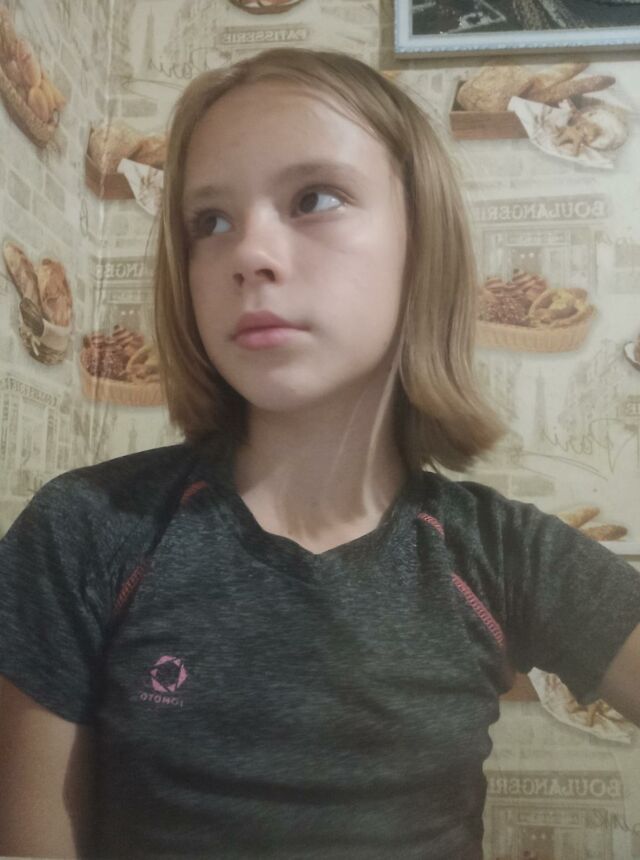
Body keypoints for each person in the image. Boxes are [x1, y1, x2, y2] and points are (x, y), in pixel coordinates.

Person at [0, 47, 639, 860]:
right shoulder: (86, 532)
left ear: (422, 243)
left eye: (315, 199)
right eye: (210, 221)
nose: (248, 254)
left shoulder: (507, 557)